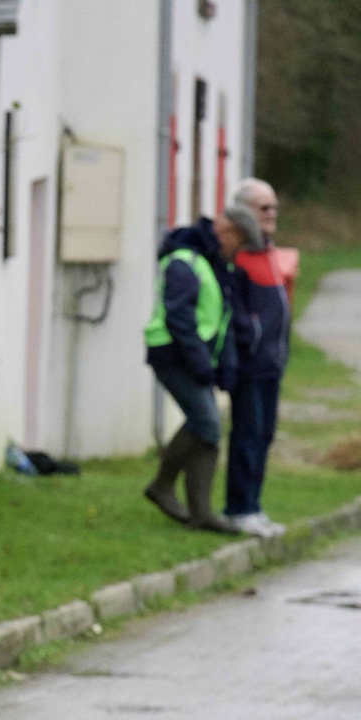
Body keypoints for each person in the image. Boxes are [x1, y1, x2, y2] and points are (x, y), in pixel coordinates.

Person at [142, 206, 263, 533]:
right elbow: (178, 318)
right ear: (228, 232)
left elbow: (219, 320)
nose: (239, 252)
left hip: (193, 357)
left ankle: (201, 514)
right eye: (240, 244)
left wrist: (224, 366)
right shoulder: (185, 261)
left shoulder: (213, 264)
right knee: (206, 423)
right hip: (171, 354)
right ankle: (162, 485)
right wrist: (200, 364)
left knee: (209, 430)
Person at [224, 178, 292, 537]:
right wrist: (250, 336)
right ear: (245, 212)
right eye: (264, 207)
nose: (272, 213)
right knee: (247, 435)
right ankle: (239, 508)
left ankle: (254, 505)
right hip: (250, 363)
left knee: (264, 435)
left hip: (272, 363)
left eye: (274, 207)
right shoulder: (238, 258)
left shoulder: (269, 252)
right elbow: (235, 310)